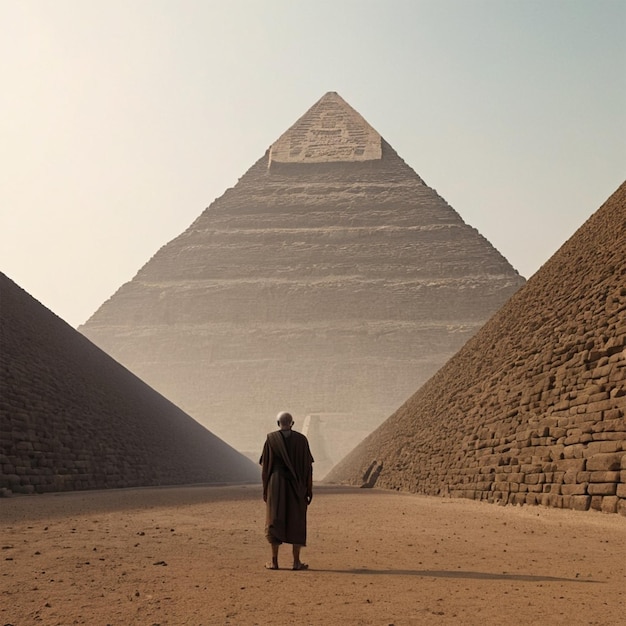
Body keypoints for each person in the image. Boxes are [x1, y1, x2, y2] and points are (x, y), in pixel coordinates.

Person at [260, 411, 314, 570]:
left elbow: (265, 467)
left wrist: (265, 489)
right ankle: (296, 562)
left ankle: (274, 562)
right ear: (293, 423)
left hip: (276, 483)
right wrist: (309, 488)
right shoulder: (302, 440)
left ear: (278, 423)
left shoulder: (271, 439)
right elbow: (308, 467)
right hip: (297, 484)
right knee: (297, 519)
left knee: (274, 519)